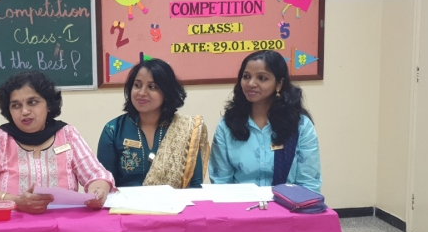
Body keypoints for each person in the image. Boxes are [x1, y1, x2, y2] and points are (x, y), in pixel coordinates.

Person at [0, 70, 114, 213]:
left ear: (48, 105)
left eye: (32, 102)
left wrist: (98, 191)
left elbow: (98, 175)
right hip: (11, 225)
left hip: (62, 223)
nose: (24, 111)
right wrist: (16, 201)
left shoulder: (67, 134)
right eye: (16, 105)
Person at [209, 50, 321, 192]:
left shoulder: (299, 125)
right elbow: (221, 183)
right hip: (240, 204)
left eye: (262, 78)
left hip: (287, 204)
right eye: (246, 76)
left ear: (279, 84)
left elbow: (309, 184)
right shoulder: (228, 125)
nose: (251, 83)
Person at [97, 58, 209, 188]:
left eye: (152, 87)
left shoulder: (186, 129)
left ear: (166, 92)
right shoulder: (114, 130)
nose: (142, 93)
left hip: (175, 201)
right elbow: (106, 183)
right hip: (126, 201)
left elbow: (195, 186)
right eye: (137, 85)